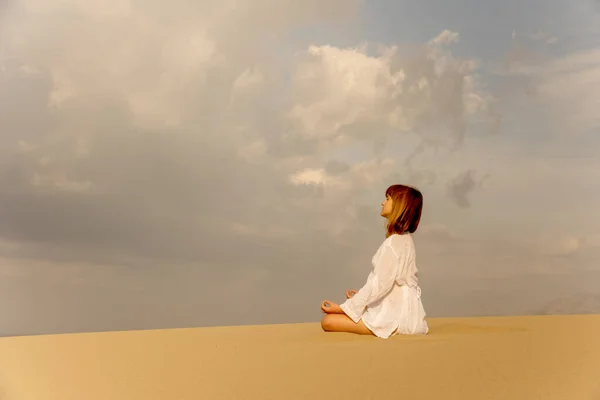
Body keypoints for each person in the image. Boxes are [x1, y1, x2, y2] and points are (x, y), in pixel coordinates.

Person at [320, 184, 429, 338]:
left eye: (388, 199)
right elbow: (391, 284)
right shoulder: (406, 241)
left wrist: (343, 308)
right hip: (410, 315)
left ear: (399, 205)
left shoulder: (392, 243)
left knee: (328, 321)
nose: (383, 203)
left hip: (394, 317)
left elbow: (380, 284)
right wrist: (360, 297)